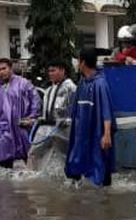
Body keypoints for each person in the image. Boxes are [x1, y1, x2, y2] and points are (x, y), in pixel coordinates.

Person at [65, 47, 116, 186]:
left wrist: (106, 134)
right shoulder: (82, 83)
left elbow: (106, 110)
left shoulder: (100, 83)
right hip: (82, 135)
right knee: (77, 164)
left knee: (100, 165)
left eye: (78, 61)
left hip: (97, 134)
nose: (76, 64)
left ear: (83, 63)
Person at [0, 58, 42, 168]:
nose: (1, 72)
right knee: (3, 165)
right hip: (5, 133)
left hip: (22, 129)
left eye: (4, 68)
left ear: (10, 68)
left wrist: (31, 118)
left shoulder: (23, 84)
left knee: (30, 161)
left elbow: (35, 101)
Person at [42, 59, 77, 124]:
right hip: (48, 129)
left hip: (65, 130)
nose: (50, 74)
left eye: (53, 71)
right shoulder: (48, 90)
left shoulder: (71, 88)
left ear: (62, 71)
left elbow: (74, 112)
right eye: (49, 71)